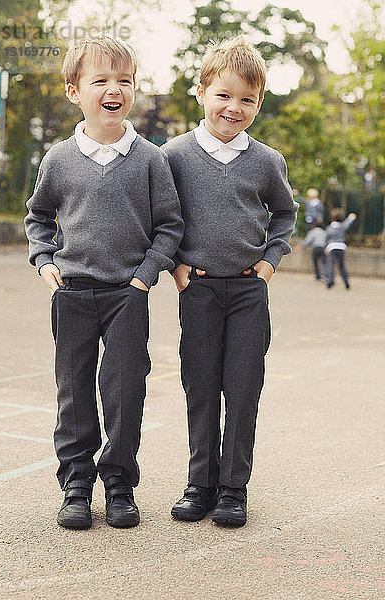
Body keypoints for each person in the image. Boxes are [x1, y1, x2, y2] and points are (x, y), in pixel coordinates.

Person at [24, 37, 183, 530]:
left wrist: (143, 276)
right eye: (100, 81)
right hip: (71, 294)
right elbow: (38, 217)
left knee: (124, 391)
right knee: (73, 391)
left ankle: (118, 483)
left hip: (126, 297)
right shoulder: (58, 159)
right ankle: (76, 483)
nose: (114, 90)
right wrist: (44, 258)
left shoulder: (151, 159)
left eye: (125, 81)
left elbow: (170, 226)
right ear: (75, 90)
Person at [162, 36, 298, 527]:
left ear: (259, 103)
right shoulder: (173, 156)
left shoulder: (266, 161)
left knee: (242, 388)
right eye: (224, 95)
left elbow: (285, 215)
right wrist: (175, 266)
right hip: (196, 288)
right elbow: (161, 218)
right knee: (200, 387)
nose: (233, 107)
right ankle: (200, 484)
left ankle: (233, 489)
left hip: (246, 292)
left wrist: (269, 263)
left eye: (247, 99)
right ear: (201, 92)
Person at [324, 208, 356, 289]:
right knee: (342, 265)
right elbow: (347, 223)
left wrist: (326, 248)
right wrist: (351, 217)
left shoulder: (329, 228)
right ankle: (346, 282)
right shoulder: (342, 227)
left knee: (331, 264)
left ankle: (330, 281)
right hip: (341, 247)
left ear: (332, 218)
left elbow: (326, 239)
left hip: (332, 247)